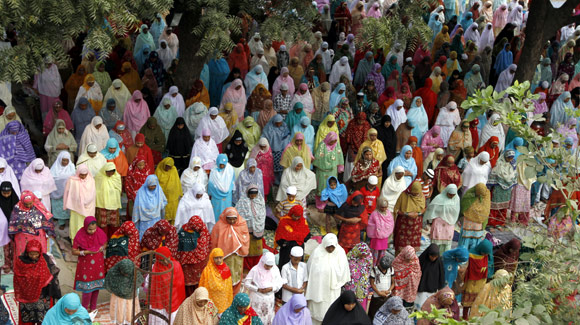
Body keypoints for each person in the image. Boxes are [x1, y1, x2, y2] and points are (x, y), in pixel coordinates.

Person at [305, 233, 351, 324]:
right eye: (328, 247)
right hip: (318, 289)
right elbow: (309, 270)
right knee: (318, 312)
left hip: (332, 290)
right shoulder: (317, 252)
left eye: (332, 247)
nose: (330, 249)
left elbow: (344, 271)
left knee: (331, 311)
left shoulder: (340, 253)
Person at [13, 239, 61, 324]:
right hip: (26, 295)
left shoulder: (45, 259)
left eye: (36, 254)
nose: (34, 256)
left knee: (41, 317)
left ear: (40, 252)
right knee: (28, 317)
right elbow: (18, 277)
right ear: (27, 253)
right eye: (31, 254)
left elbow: (53, 273)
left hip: (42, 295)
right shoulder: (21, 262)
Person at [72, 216, 107, 312]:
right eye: (90, 229)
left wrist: (102, 248)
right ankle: (83, 309)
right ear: (85, 226)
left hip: (97, 264)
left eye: (94, 229)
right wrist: (84, 252)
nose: (92, 231)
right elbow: (74, 251)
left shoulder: (99, 232)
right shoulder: (80, 235)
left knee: (96, 288)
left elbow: (105, 243)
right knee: (87, 289)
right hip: (86, 264)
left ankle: (93, 308)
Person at [211, 207, 250, 292]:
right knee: (225, 274)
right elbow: (214, 240)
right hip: (225, 257)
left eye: (234, 219)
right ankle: (225, 293)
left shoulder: (242, 224)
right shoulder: (219, 226)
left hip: (238, 255)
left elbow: (245, 238)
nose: (232, 222)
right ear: (225, 217)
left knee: (237, 273)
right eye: (229, 219)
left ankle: (235, 292)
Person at [8, 191, 54, 262]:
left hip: (38, 236)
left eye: (30, 203)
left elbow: (47, 219)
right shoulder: (17, 208)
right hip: (22, 236)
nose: (29, 206)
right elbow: (13, 223)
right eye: (26, 204)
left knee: (38, 254)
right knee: (23, 254)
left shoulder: (39, 208)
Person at [243, 252, 285, 324]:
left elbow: (279, 283)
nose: (269, 268)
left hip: (269, 299)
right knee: (256, 317)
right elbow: (246, 283)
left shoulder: (275, 270)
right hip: (257, 298)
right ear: (263, 262)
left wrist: (272, 288)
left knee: (267, 317)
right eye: (267, 265)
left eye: (270, 266)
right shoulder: (255, 270)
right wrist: (257, 289)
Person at [149, 246, 187, 324]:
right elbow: (148, 286)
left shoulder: (176, 266)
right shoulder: (154, 269)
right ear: (158, 260)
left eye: (167, 258)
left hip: (173, 300)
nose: (166, 262)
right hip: (159, 301)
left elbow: (180, 285)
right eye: (162, 260)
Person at [175, 215, 211, 296]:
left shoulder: (203, 229)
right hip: (186, 263)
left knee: (200, 281)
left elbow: (206, 243)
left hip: (200, 263)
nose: (197, 230)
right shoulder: (183, 230)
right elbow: (180, 245)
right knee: (188, 283)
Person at [104, 259, 143, 325]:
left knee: (129, 312)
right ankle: (120, 322)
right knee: (119, 312)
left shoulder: (135, 271)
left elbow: (138, 281)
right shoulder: (113, 272)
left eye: (128, 273)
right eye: (124, 273)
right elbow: (108, 284)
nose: (126, 275)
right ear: (120, 269)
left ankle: (129, 321)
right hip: (118, 298)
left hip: (130, 297)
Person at [462, 239, 494, 319]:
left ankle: (473, 317)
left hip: (481, 283)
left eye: (487, 253)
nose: (485, 254)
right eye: (484, 252)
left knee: (477, 301)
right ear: (481, 249)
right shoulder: (470, 254)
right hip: (471, 282)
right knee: (467, 301)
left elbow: (490, 265)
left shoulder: (487, 255)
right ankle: (465, 317)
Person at [236, 186, 266, 270]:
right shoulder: (242, 201)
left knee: (256, 248)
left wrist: (256, 220)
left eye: (254, 194)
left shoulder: (260, 201)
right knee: (246, 248)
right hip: (246, 229)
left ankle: (256, 266)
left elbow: (262, 214)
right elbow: (239, 214)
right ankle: (246, 267)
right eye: (251, 194)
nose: (253, 196)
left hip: (257, 229)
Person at [424, 184, 460, 253]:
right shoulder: (439, 198)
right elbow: (431, 208)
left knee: (447, 243)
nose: (451, 196)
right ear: (446, 192)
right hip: (439, 223)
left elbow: (456, 211)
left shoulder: (456, 199)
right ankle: (435, 256)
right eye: (450, 194)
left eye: (453, 195)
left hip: (449, 223)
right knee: (436, 242)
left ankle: (444, 258)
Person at [393, 182, 426, 253]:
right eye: (414, 193)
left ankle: (410, 261)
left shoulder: (421, 196)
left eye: (417, 193)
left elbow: (423, 208)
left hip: (416, 226)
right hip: (404, 225)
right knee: (401, 246)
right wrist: (406, 214)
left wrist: (418, 213)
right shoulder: (403, 195)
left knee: (412, 248)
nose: (416, 195)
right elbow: (396, 209)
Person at [487, 150, 517, 227]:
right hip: (498, 188)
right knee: (495, 206)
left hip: (507, 190)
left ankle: (500, 223)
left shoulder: (513, 165)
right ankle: (491, 223)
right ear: (505, 157)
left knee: (504, 207)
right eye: (509, 158)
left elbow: (514, 176)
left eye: (511, 158)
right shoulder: (499, 164)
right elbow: (493, 175)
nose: (510, 159)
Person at [275, 204, 311, 269]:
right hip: (287, 249)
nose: (296, 218)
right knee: (285, 267)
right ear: (291, 213)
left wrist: (295, 239)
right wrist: (297, 239)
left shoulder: (302, 221)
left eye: (298, 216)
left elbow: (307, 235)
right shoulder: (284, 221)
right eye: (295, 216)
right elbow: (279, 236)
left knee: (298, 267)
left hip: (298, 248)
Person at [199, 248, 234, 314]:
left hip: (222, 299)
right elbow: (202, 284)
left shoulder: (226, 269)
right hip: (211, 298)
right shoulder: (207, 270)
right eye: (216, 258)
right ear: (212, 258)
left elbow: (229, 287)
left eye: (220, 258)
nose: (219, 260)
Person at [132, 175, 167, 239]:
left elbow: (163, 202)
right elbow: (137, 205)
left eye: (154, 186)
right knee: (145, 236)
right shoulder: (141, 192)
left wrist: (159, 206)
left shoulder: (159, 190)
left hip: (156, 218)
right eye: (151, 186)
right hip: (144, 219)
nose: (152, 187)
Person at [459, 183, 491, 250]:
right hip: (477, 225)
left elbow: (463, 206)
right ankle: (472, 254)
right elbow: (486, 212)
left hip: (468, 223)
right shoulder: (486, 195)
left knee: (465, 241)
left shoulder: (470, 194)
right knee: (474, 242)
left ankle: (463, 253)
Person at [94, 162, 122, 237]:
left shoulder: (117, 177)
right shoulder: (99, 176)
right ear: (104, 170)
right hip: (102, 203)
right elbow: (97, 190)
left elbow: (119, 189)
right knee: (103, 223)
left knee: (114, 223)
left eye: (112, 172)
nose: (110, 174)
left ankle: (113, 238)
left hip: (113, 203)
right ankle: (103, 239)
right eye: (108, 172)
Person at [49, 152, 76, 229]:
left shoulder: (72, 167)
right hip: (57, 193)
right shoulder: (54, 169)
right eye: (63, 160)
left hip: (68, 193)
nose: (65, 162)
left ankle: (69, 220)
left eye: (66, 160)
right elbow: (51, 179)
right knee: (59, 208)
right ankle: (61, 223)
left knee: (68, 207)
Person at [344, 242, 374, 309]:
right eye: (361, 255)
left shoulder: (368, 257)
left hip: (362, 285)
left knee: (361, 305)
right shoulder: (350, 258)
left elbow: (369, 269)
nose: (363, 257)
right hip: (351, 284)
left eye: (364, 255)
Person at [415, 244, 446, 309]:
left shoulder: (439, 262)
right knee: (420, 307)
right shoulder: (421, 260)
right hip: (421, 289)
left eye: (435, 257)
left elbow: (441, 276)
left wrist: (440, 288)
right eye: (432, 256)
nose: (433, 258)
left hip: (432, 290)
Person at [155, 157, 183, 224]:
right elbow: (155, 183)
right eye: (167, 166)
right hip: (162, 196)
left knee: (173, 213)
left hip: (173, 196)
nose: (168, 168)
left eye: (170, 167)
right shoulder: (158, 171)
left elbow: (177, 182)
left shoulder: (174, 170)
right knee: (164, 213)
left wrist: (180, 193)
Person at [367, 197, 394, 264]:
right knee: (375, 252)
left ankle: (380, 264)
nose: (384, 209)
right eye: (382, 207)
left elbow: (391, 223)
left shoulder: (388, 213)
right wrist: (378, 229)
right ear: (379, 206)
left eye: (385, 207)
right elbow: (370, 225)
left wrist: (384, 229)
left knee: (382, 252)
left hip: (384, 237)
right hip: (376, 237)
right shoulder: (374, 214)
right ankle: (373, 264)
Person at [208, 154, 236, 219]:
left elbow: (232, 182)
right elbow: (211, 184)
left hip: (227, 196)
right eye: (220, 164)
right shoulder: (213, 170)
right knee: (216, 212)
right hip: (216, 195)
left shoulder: (230, 169)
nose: (221, 166)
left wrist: (227, 190)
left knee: (226, 212)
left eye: (223, 164)